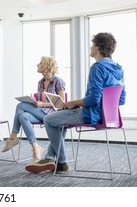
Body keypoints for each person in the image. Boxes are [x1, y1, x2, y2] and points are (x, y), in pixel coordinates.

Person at [25, 32, 126, 174]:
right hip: (109, 117)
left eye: (92, 44)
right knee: (59, 120)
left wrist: (74, 102)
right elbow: (121, 99)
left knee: (48, 119)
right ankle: (49, 157)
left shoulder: (97, 68)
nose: (91, 47)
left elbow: (94, 99)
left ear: (98, 47)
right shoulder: (118, 69)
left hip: (91, 115)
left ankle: (62, 162)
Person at [2, 56, 66, 163]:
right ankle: (36, 147)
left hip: (52, 114)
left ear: (47, 66)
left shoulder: (57, 81)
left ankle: (13, 137)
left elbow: (61, 103)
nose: (37, 65)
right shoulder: (40, 82)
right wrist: (34, 100)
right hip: (41, 112)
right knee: (23, 116)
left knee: (20, 106)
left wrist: (42, 104)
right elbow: (40, 102)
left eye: (40, 63)